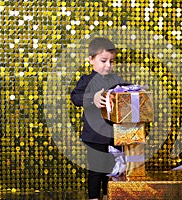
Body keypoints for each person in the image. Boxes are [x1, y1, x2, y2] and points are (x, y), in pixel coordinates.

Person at [71, 37, 126, 200]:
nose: (108, 65)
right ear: (91, 60)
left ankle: (108, 196)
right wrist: (91, 98)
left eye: (112, 61)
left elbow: (128, 91)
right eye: (103, 60)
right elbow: (75, 97)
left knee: (111, 171)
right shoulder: (86, 80)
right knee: (96, 170)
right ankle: (94, 197)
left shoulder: (116, 80)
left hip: (114, 136)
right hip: (94, 137)